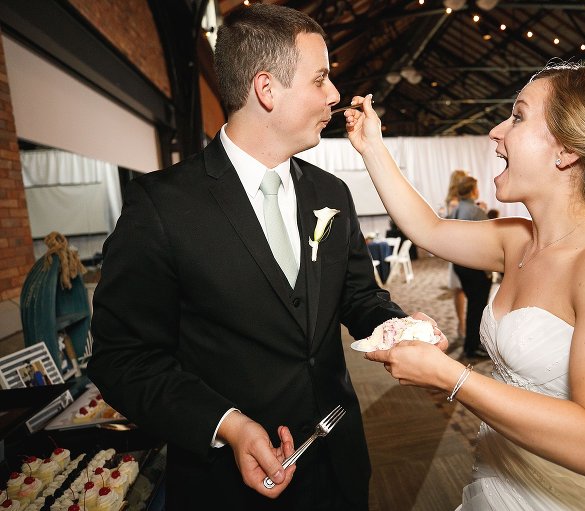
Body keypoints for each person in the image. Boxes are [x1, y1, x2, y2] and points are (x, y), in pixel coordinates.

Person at [87, 4, 444, 510]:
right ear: (266, 89)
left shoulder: (332, 193)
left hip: (339, 462)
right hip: (229, 485)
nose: (336, 94)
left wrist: (396, 326)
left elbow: (360, 297)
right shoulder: (162, 206)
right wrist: (227, 425)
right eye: (320, 78)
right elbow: (123, 358)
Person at [343, 63, 585, 509]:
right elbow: (429, 229)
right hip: (494, 483)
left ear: (566, 150)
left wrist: (450, 377)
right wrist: (371, 147)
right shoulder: (516, 240)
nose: (496, 132)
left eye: (517, 116)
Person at [448, 176, 492, 358]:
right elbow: (488, 242)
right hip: (475, 266)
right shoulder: (476, 212)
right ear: (473, 191)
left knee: (473, 305)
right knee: (477, 306)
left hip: (459, 264)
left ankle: (470, 343)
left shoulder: (455, 209)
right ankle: (472, 346)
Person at [444, 169, 468, 340]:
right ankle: (462, 323)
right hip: (459, 249)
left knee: (463, 290)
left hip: (464, 247)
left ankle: (464, 323)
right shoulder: (454, 203)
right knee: (460, 289)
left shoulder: (460, 202)